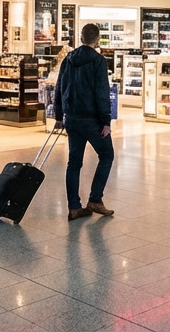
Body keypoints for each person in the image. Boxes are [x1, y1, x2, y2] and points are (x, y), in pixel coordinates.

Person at [53, 23, 116, 220]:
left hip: (72, 118)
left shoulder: (68, 59)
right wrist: (106, 121)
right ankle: (95, 199)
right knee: (107, 155)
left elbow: (59, 87)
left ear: (81, 38)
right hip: (92, 120)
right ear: (97, 39)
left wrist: (58, 116)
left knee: (74, 162)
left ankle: (74, 207)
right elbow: (101, 92)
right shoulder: (98, 61)